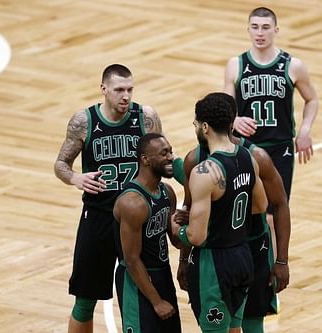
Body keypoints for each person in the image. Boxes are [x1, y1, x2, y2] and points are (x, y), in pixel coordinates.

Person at [54, 64, 163, 333]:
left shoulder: (145, 117)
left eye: (129, 89)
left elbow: (163, 158)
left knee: (146, 295)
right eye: (119, 90)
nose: (126, 96)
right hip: (99, 216)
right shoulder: (83, 121)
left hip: (139, 217)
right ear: (103, 89)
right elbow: (60, 164)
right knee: (85, 300)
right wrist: (75, 178)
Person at [175, 93, 290, 333]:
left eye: (195, 124)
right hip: (241, 255)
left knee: (239, 325)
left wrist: (174, 227)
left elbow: (195, 235)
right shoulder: (244, 159)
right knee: (235, 327)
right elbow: (259, 205)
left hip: (226, 256)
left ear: (205, 126)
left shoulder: (209, 168)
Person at [224, 6, 319, 204]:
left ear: (276, 30)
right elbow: (226, 106)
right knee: (247, 209)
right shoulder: (235, 64)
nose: (260, 33)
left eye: (266, 27)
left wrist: (304, 131)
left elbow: (312, 99)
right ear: (248, 29)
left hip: (280, 146)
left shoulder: (293, 65)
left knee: (275, 211)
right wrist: (234, 119)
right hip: (246, 147)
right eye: (255, 27)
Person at [113, 133, 182, 333]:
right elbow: (132, 259)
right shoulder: (133, 203)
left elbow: (175, 240)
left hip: (162, 274)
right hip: (137, 281)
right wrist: (156, 301)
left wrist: (191, 221)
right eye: (164, 153)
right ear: (145, 159)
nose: (171, 157)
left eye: (170, 151)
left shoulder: (167, 192)